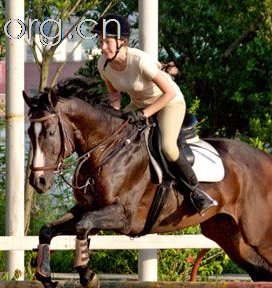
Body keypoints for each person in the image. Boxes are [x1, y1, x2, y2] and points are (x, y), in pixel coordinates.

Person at [92, 13, 216, 215]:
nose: (103, 47)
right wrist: (114, 118)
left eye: (107, 42)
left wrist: (144, 114)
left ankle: (197, 192)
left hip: (169, 103)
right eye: (100, 42)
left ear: (121, 41)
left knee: (168, 147)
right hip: (138, 104)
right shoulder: (103, 64)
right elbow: (114, 94)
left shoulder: (140, 61)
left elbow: (170, 92)